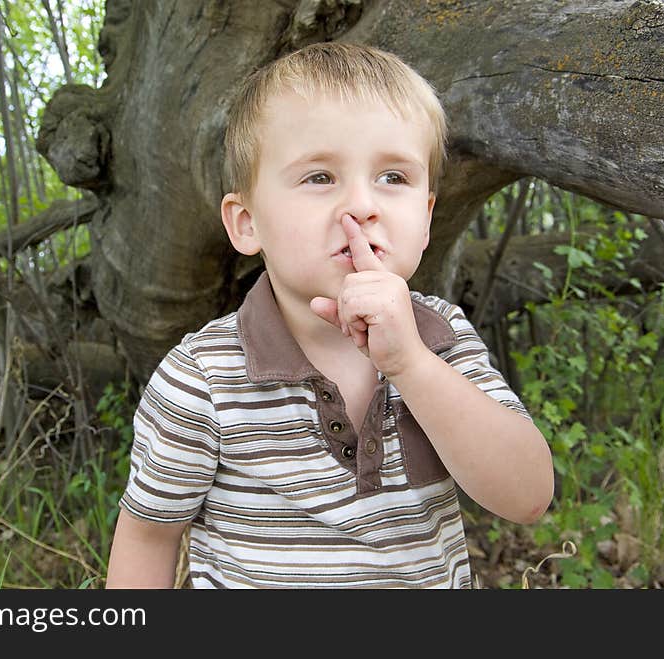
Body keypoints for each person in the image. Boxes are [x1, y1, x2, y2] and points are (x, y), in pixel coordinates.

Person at [105, 42, 554, 589]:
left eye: (394, 177)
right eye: (319, 177)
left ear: (428, 215)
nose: (362, 205)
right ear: (247, 222)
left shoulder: (442, 341)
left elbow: (527, 496)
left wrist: (411, 365)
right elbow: (148, 536)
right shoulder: (204, 378)